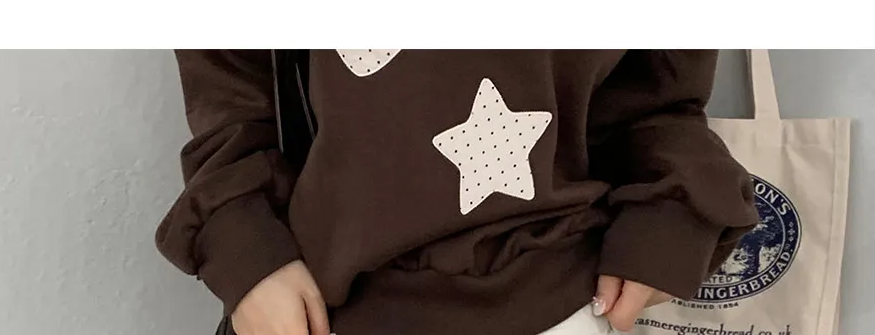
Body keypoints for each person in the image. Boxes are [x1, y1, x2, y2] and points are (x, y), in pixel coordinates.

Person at [157, 47, 757, 331]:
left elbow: (657, 98)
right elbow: (233, 94)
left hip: (562, 299)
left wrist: (670, 217)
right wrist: (247, 251)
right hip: (331, 307)